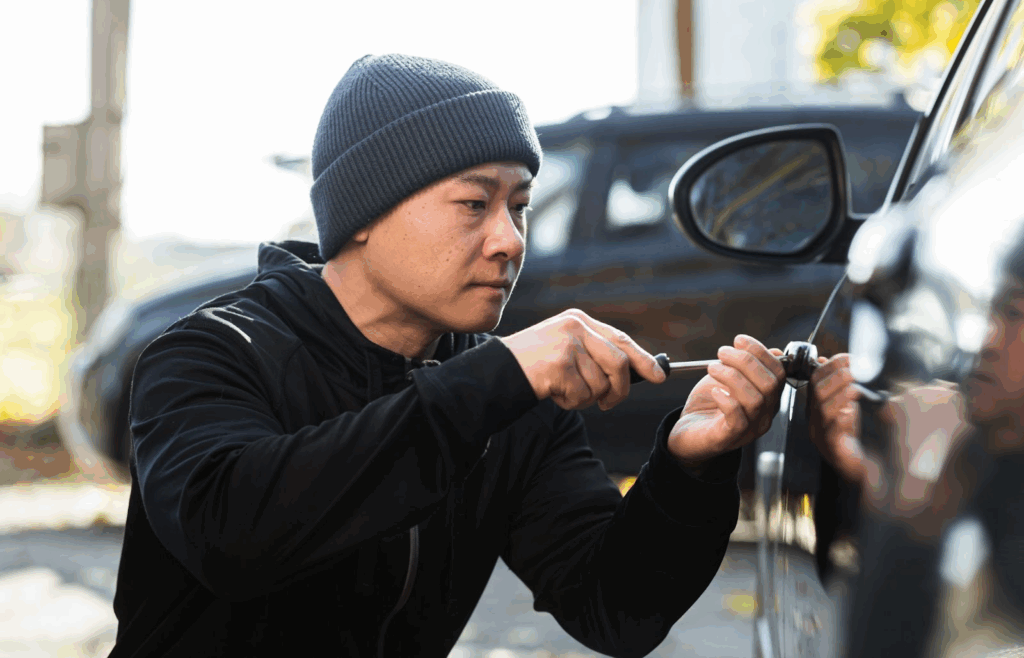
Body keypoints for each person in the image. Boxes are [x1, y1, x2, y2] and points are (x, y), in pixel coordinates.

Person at [109, 54, 851, 658]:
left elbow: (615, 609)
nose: (510, 240)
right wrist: (491, 383)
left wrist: (690, 469)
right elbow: (232, 536)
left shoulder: (511, 400)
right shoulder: (211, 352)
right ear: (365, 213)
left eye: (520, 206)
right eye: (475, 204)